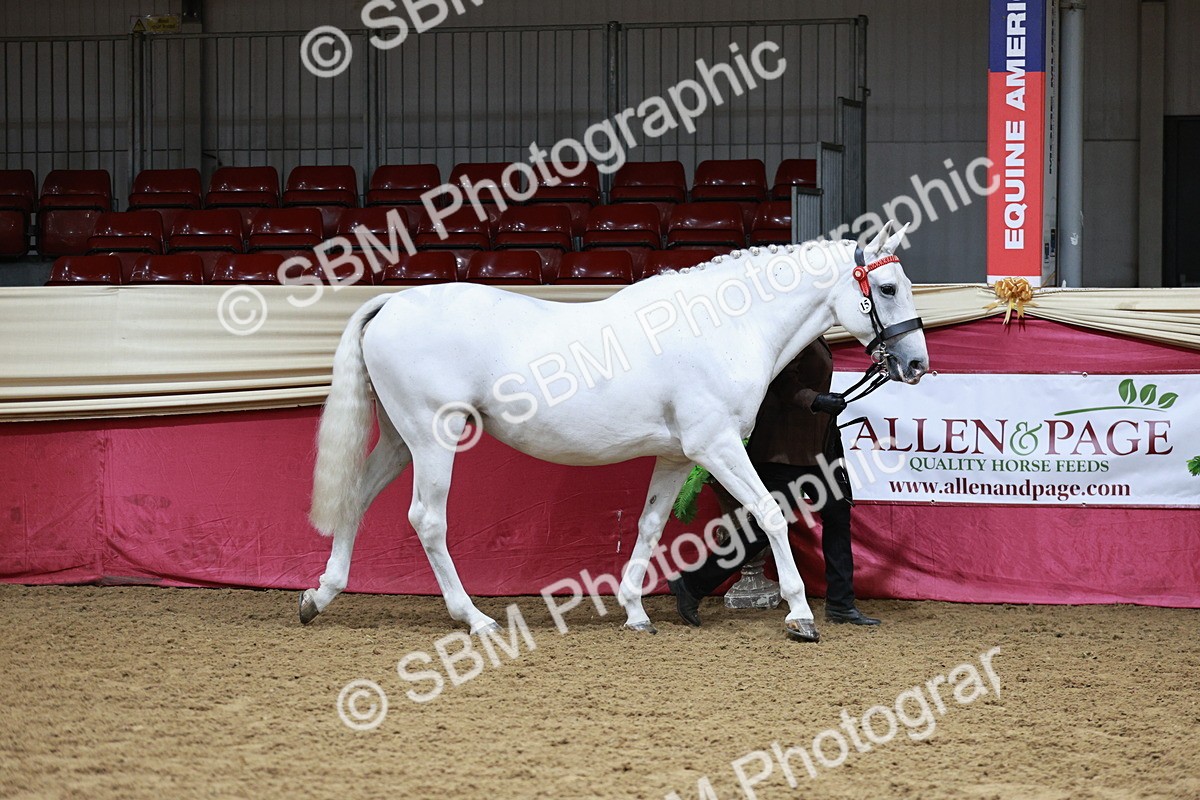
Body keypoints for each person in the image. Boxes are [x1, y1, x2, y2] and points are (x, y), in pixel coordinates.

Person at [668, 336, 880, 637]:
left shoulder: (816, 336)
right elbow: (780, 382)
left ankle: (841, 604)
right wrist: (816, 400)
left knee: (837, 514)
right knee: (761, 529)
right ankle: (691, 584)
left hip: (818, 449)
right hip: (784, 450)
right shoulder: (796, 335)